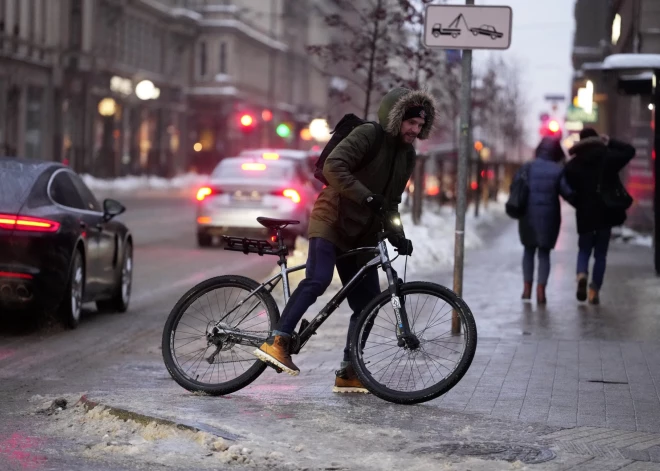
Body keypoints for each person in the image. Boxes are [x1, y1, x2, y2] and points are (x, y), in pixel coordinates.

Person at [252, 87, 437, 393]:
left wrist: (398, 236)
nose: (414, 130)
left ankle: (351, 369)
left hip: (362, 233)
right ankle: (278, 339)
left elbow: (390, 203)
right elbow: (332, 166)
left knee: (367, 304)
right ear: (395, 117)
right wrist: (367, 198)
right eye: (410, 123)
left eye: (420, 126)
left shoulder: (407, 154)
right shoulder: (368, 134)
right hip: (332, 218)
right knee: (318, 279)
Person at [564, 128, 635, 304]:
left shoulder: (574, 164)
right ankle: (594, 290)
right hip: (605, 212)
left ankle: (581, 275)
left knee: (584, 250)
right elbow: (630, 151)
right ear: (597, 139)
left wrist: (577, 202)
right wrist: (610, 141)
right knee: (601, 255)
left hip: (585, 214)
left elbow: (566, 185)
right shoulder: (607, 156)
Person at [517, 137, 574, 304]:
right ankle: (541, 290)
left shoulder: (528, 167)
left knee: (528, 251)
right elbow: (567, 192)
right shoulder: (557, 170)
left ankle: (527, 288)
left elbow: (516, 186)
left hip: (528, 216)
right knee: (544, 253)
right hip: (550, 217)